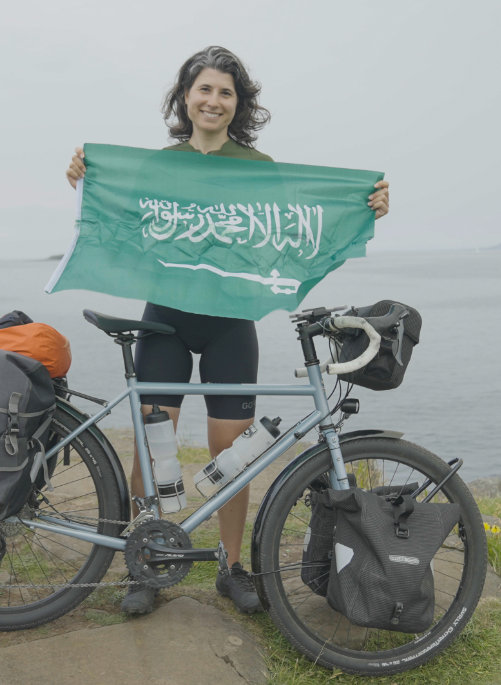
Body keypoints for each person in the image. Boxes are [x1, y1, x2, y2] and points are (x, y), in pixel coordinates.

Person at [65, 46, 390, 615]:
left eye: (225, 92)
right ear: (185, 97)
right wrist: (86, 180)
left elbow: (298, 226)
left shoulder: (256, 169)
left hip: (230, 324)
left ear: (238, 104)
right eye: (204, 89)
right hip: (164, 319)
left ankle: (231, 565)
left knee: (232, 454)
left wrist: (364, 206)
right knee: (152, 447)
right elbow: (121, 219)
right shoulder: (159, 166)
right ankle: (149, 563)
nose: (213, 100)